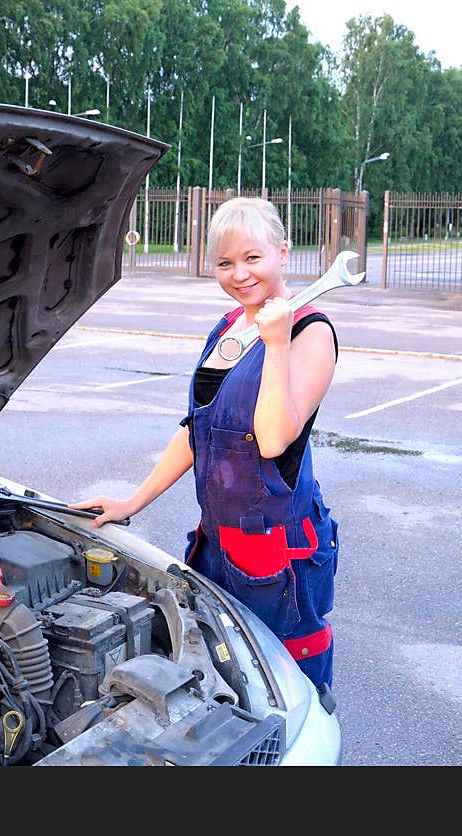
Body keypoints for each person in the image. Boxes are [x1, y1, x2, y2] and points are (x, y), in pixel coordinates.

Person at [71, 197, 339, 694]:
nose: (239, 274)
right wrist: (133, 501)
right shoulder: (227, 327)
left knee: (289, 686)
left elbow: (275, 437)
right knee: (226, 677)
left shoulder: (310, 333)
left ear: (284, 251)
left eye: (252, 257)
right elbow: (199, 431)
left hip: (279, 556)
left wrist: (275, 343)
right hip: (216, 545)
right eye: (224, 262)